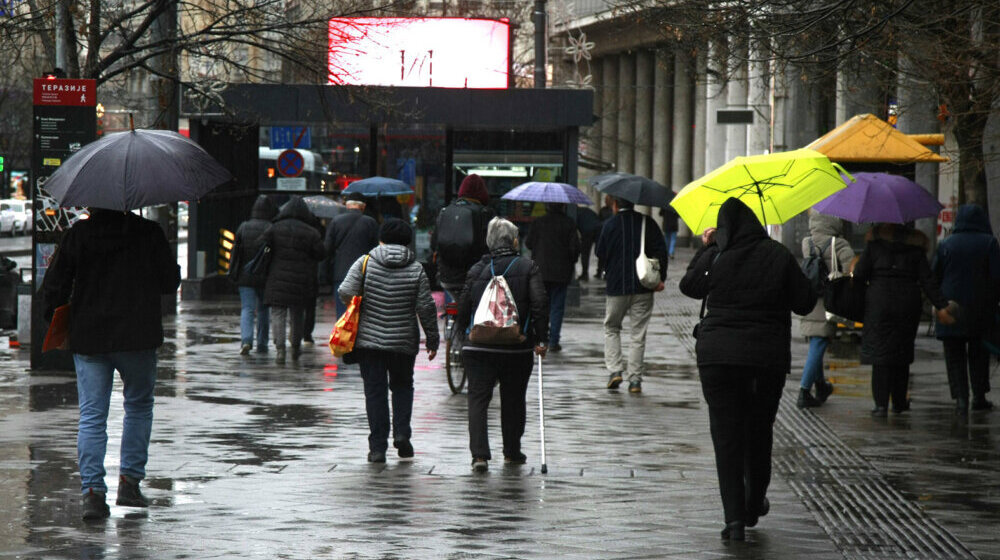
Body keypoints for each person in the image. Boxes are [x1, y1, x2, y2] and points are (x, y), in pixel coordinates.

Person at [679, 197, 815, 541]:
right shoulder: (778, 254)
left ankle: (734, 520)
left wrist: (706, 247)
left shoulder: (717, 255)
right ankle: (754, 504)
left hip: (718, 359)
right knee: (759, 432)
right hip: (764, 361)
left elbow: (689, 286)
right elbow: (805, 302)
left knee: (726, 438)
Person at [41, 208, 181, 520]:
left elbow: (55, 285)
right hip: (137, 336)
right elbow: (169, 283)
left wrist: (54, 320)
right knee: (139, 407)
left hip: (90, 336)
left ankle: (92, 494)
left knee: (92, 415)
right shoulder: (149, 232)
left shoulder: (79, 234)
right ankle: (129, 485)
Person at [338, 219, 439, 463]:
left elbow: (345, 290)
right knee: (403, 386)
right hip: (403, 342)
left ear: (381, 239)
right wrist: (432, 339)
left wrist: (361, 303)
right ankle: (402, 433)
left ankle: (377, 448)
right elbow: (426, 306)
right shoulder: (416, 268)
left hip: (369, 343)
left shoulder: (365, 263)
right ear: (407, 241)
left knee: (375, 392)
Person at [457, 217, 549, 472]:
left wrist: (463, 335)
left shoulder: (476, 271)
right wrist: (541, 339)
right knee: (513, 397)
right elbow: (540, 304)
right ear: (515, 241)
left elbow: (464, 307)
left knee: (477, 399)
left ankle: (479, 456)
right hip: (516, 347)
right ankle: (511, 451)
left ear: (489, 242)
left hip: (478, 347)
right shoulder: (528, 267)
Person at [853, 222, 954, 417]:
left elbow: (859, 276)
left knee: (880, 354)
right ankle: (899, 402)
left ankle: (881, 405)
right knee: (901, 352)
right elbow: (928, 280)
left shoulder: (874, 245)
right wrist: (942, 305)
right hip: (907, 305)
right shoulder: (915, 248)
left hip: (879, 304)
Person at [594, 196, 668, 393]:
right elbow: (661, 252)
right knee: (638, 334)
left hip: (616, 287)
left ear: (616, 205)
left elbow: (600, 252)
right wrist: (661, 279)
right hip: (643, 286)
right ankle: (635, 380)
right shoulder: (648, 223)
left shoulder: (609, 225)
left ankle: (615, 371)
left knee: (611, 327)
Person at [933, 204, 1000, 415]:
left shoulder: (946, 244)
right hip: (981, 309)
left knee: (954, 355)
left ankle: (961, 398)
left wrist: (939, 303)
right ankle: (979, 396)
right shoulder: (989, 243)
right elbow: (997, 276)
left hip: (951, 307)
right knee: (978, 354)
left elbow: (935, 275)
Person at [796, 211, 855, 408]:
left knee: (816, 341)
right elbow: (851, 269)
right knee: (819, 343)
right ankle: (804, 391)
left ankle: (821, 385)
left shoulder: (807, 243)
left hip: (811, 298)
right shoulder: (839, 244)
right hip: (830, 300)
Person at [261, 196, 325, 363]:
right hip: (301, 279)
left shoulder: (274, 228)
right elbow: (321, 253)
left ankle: (280, 349)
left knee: (278, 313)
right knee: (297, 313)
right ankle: (295, 346)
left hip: (277, 278)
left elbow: (263, 248)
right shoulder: (311, 232)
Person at [526, 203, 580, 352]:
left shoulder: (538, 222)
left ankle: (541, 338)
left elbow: (528, 243)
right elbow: (575, 248)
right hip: (561, 273)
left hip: (540, 272)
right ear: (563, 207)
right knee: (557, 307)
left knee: (540, 306)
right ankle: (554, 341)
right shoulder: (569, 223)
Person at [229, 195, 278, 355]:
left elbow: (236, 252)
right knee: (264, 310)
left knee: (247, 309)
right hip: (265, 276)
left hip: (245, 276)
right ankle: (262, 343)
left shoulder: (244, 227)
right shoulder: (271, 228)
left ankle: (246, 340)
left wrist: (233, 272)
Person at [433, 174, 495, 300]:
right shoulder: (486, 213)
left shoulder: (445, 212)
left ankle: (451, 319)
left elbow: (434, 243)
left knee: (453, 307)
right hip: (476, 278)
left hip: (446, 278)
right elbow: (492, 246)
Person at [325, 192, 379, 317]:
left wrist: (325, 274)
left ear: (346, 206)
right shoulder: (370, 222)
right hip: (364, 274)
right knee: (363, 313)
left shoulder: (336, 221)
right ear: (363, 206)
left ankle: (345, 336)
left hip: (341, 274)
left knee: (343, 314)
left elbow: (327, 249)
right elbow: (376, 250)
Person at [576, 205, 603, 281]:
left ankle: (585, 274)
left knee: (585, 253)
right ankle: (599, 272)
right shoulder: (586, 210)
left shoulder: (574, 213)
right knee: (600, 251)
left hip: (587, 232)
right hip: (598, 228)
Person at [596, 195, 614, 279]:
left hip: (610, 235)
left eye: (607, 200)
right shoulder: (603, 210)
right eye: (605, 200)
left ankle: (606, 271)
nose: (605, 201)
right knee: (602, 255)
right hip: (602, 234)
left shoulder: (613, 211)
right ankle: (599, 271)